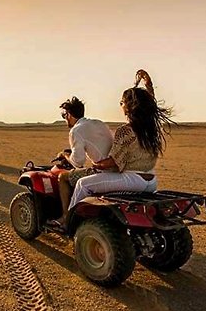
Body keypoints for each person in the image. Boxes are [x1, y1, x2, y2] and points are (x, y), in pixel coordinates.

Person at [68, 69, 174, 209]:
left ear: (130, 106)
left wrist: (97, 165)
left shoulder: (124, 131)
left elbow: (113, 162)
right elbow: (149, 104)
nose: (121, 105)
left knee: (83, 184)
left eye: (122, 102)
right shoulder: (151, 127)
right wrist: (149, 85)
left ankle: (69, 221)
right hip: (151, 181)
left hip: (132, 180)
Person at [52, 96, 113, 227]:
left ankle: (65, 218)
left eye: (64, 115)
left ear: (68, 114)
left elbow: (77, 162)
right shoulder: (99, 123)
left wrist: (65, 155)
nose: (65, 119)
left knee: (63, 177)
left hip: (103, 171)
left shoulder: (76, 130)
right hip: (115, 167)